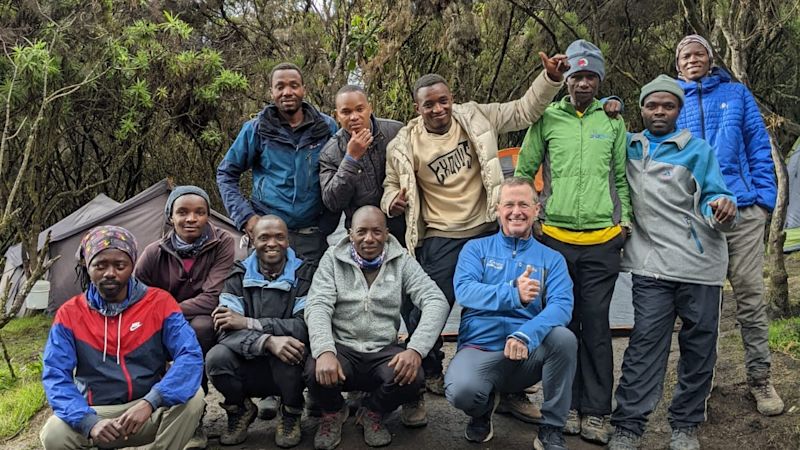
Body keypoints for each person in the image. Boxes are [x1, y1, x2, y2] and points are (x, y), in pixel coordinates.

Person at [380, 49, 570, 423]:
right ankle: (420, 384)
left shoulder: (475, 116)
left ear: (452, 99)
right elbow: (388, 184)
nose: (438, 109)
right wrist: (392, 201)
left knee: (513, 301)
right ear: (417, 107)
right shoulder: (403, 144)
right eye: (429, 104)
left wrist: (549, 79)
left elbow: (523, 111)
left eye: (444, 101)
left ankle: (511, 387)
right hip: (441, 235)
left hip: (487, 227)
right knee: (423, 313)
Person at [607, 75, 738, 450]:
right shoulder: (628, 145)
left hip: (700, 266)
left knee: (699, 348)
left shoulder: (697, 150)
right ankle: (628, 427)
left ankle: (684, 425)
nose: (659, 111)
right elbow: (598, 128)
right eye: (652, 105)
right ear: (642, 108)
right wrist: (609, 103)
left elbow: (717, 196)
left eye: (668, 105)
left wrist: (724, 210)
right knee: (645, 345)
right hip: (651, 267)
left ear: (679, 110)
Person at [513, 39, 631, 445]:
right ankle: (564, 408)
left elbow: (620, 178)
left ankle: (597, 411)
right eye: (576, 76)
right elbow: (525, 171)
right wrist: (532, 220)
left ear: (599, 79)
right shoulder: (547, 119)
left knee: (596, 324)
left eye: (590, 76)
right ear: (565, 80)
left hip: (601, 240)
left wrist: (624, 221)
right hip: (555, 240)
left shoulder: (612, 121)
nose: (583, 83)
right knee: (562, 325)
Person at [674, 34, 783, 416]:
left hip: (744, 210)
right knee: (701, 307)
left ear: (710, 57)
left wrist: (763, 201)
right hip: (696, 217)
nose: (692, 59)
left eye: (698, 53)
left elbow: (758, 146)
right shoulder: (672, 100)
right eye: (685, 55)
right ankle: (702, 383)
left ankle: (760, 378)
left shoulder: (736, 95)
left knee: (750, 295)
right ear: (678, 65)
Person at [40, 226, 204, 450]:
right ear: (86, 267)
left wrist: (151, 401)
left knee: (193, 398)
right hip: (97, 413)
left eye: (120, 265)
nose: (110, 273)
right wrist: (89, 422)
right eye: (100, 265)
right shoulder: (69, 314)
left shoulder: (159, 303)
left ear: (132, 265)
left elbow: (190, 355)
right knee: (53, 433)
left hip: (147, 409)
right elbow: (55, 375)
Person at [446, 177, 576, 450]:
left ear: (536, 209)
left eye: (523, 205)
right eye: (509, 204)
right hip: (480, 348)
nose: (516, 211)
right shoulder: (475, 249)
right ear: (497, 209)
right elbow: (466, 291)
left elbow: (561, 306)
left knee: (564, 339)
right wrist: (512, 292)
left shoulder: (551, 259)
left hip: (527, 352)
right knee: (461, 392)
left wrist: (526, 334)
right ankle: (482, 410)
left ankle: (552, 428)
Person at [304, 206, 449, 449]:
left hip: (383, 349)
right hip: (343, 349)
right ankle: (333, 412)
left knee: (413, 376)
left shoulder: (401, 260)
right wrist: (324, 350)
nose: (369, 238)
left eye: (376, 232)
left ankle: (373, 410)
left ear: (387, 233)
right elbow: (317, 304)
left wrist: (415, 350)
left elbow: (436, 300)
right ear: (350, 233)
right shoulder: (332, 258)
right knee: (312, 371)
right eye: (361, 231)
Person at [204, 215, 315, 447]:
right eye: (264, 237)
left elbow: (304, 326)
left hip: (286, 365)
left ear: (288, 241)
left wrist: (248, 323)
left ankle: (291, 412)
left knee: (291, 347)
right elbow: (224, 330)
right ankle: (240, 409)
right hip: (247, 360)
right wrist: (266, 341)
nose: (272, 243)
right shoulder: (237, 274)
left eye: (279, 237)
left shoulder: (304, 274)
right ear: (252, 240)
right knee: (216, 357)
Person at [217, 62, 338, 264]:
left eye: (293, 85)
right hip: (267, 235)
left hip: (311, 236)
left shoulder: (326, 128)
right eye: (280, 87)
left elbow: (339, 176)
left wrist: (326, 225)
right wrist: (247, 218)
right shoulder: (256, 129)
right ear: (271, 92)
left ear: (303, 89)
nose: (287, 92)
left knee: (309, 295)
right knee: (265, 292)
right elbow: (226, 174)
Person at [319, 84, 405, 244]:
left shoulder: (396, 132)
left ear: (370, 108)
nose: (354, 117)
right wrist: (351, 159)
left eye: (360, 109)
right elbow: (332, 202)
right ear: (336, 115)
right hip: (362, 234)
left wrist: (397, 199)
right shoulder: (330, 152)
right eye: (346, 112)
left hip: (401, 226)